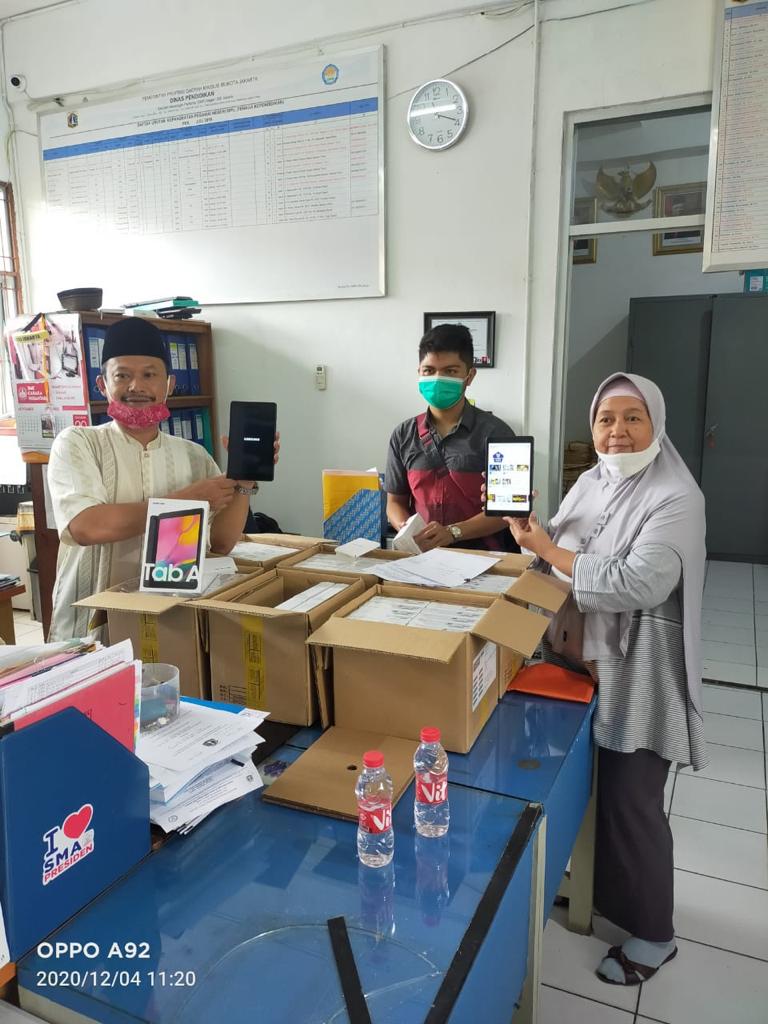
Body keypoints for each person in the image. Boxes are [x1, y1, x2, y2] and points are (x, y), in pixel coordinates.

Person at [506, 372, 707, 986]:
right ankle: (599, 893)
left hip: (639, 670)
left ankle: (655, 934)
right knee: (582, 787)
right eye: (605, 419)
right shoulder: (591, 481)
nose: (617, 431)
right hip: (574, 661)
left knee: (631, 800)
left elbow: (638, 582)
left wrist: (550, 550)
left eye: (632, 417)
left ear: (656, 423)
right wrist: (530, 543)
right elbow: (556, 552)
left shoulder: (676, 495)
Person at [47, 317, 274, 641]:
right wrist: (189, 500)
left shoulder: (194, 455)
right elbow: (87, 526)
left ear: (169, 385)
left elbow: (221, 542)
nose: (136, 386)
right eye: (122, 375)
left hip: (168, 627)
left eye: (149, 375)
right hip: (90, 631)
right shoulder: (78, 443)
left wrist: (244, 480)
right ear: (102, 385)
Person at [385, 323, 518, 552]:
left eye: (450, 371)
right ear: (419, 372)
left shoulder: (498, 433)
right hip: (422, 558)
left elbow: (507, 511)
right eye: (429, 370)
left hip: (485, 559)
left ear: (469, 376)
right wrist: (407, 529)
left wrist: (452, 532)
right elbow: (395, 502)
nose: (438, 379)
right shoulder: (402, 435)